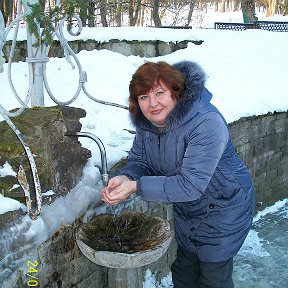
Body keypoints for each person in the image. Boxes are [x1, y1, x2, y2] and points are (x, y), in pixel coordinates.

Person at [101, 61, 254, 288]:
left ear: (176, 92)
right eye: (143, 97)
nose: (152, 103)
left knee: (213, 278)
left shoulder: (206, 123)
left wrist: (137, 187)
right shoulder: (148, 125)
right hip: (189, 211)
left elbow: (190, 185)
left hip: (224, 209)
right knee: (184, 272)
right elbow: (140, 161)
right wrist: (127, 177)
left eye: (159, 93)